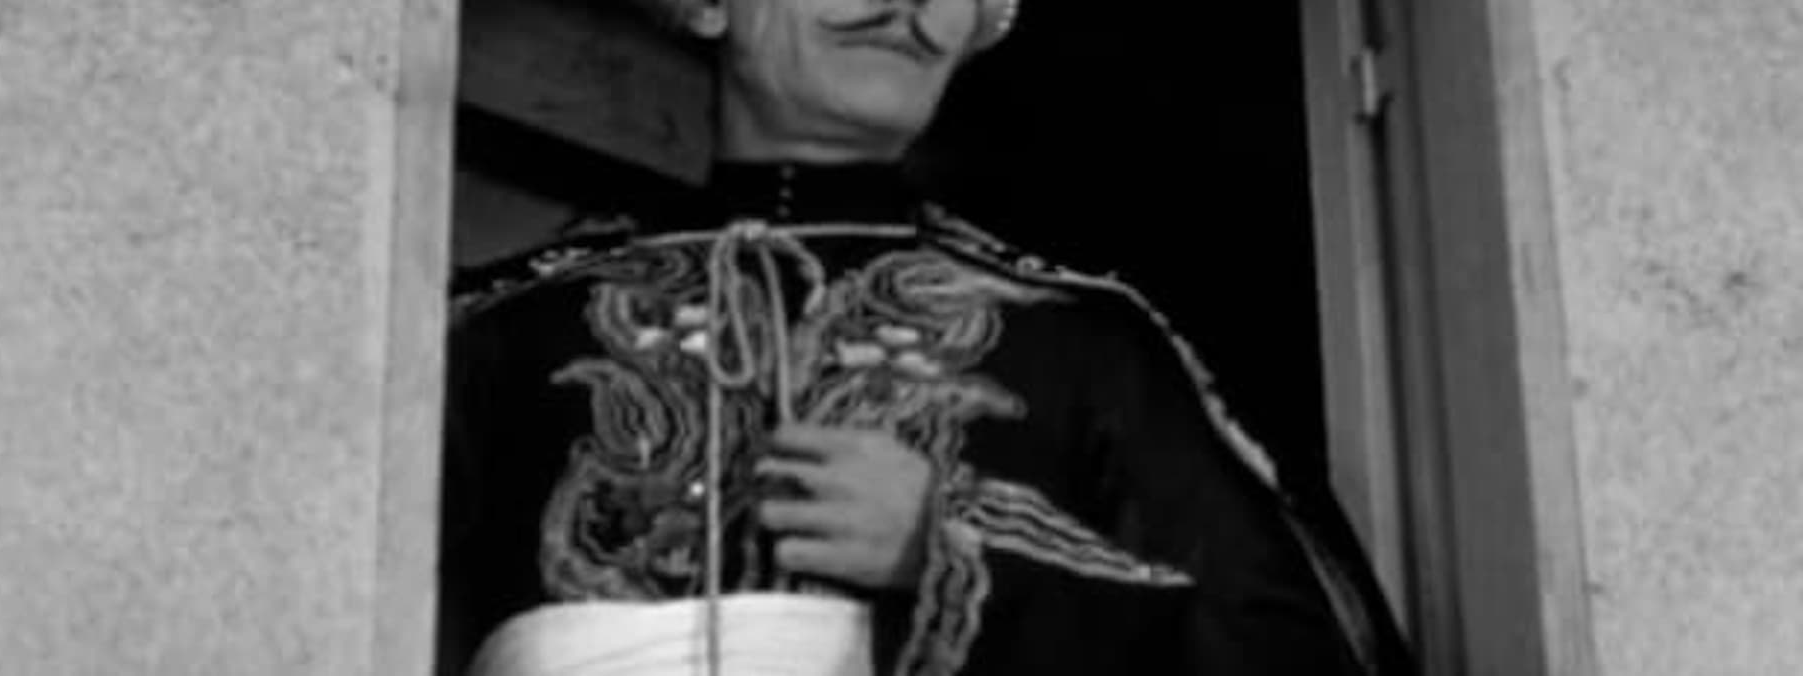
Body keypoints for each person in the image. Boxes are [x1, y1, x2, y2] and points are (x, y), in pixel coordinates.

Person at [439, 0, 1413, 674]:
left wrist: (952, 554)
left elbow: (1303, 658)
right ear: (706, 5)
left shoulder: (1087, 342)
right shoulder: (498, 330)